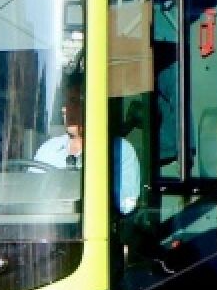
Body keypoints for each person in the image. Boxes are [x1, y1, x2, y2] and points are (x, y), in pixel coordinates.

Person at [34, 85, 142, 214]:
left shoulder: (121, 151)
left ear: (92, 105)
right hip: (48, 223)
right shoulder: (48, 149)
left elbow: (126, 206)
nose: (65, 109)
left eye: (74, 101)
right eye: (64, 103)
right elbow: (31, 196)